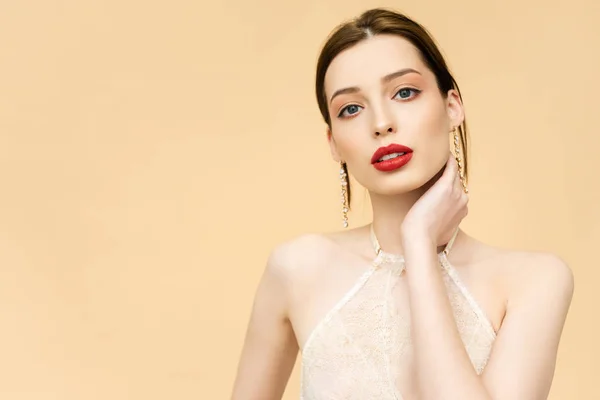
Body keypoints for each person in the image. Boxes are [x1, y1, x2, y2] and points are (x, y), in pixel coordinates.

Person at [230, 7, 574, 400]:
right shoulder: (297, 269)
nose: (381, 122)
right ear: (334, 144)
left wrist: (419, 244)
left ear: (452, 106)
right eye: (351, 109)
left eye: (404, 92)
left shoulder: (534, 281)